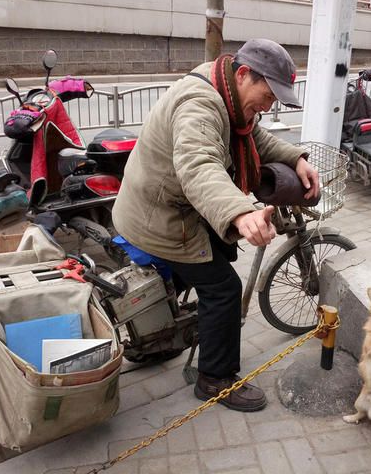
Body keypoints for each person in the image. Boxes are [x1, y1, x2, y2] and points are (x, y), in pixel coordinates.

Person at [111, 39, 319, 412]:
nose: (268, 107)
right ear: (243, 75)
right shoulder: (201, 103)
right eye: (268, 95)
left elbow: (253, 134)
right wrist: (241, 212)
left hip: (170, 208)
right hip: (162, 217)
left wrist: (296, 158)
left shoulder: (226, 90)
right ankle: (215, 379)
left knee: (204, 264)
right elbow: (200, 165)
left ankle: (156, 336)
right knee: (224, 288)